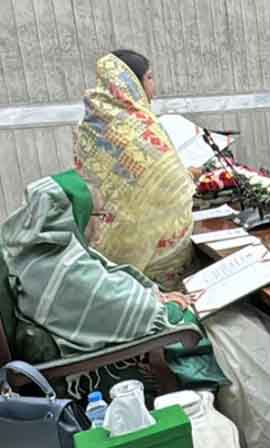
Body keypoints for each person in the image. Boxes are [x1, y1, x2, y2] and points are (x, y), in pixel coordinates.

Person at [1, 171, 270, 448]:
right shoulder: (64, 271)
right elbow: (145, 316)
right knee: (244, 331)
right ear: (71, 217)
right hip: (111, 363)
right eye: (98, 217)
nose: (100, 226)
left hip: (117, 337)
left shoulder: (40, 252)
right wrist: (177, 306)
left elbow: (114, 298)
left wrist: (158, 295)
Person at [74, 51, 195, 290]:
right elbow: (172, 186)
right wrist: (191, 175)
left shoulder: (92, 121)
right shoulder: (139, 124)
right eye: (149, 77)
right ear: (132, 82)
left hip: (108, 242)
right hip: (150, 248)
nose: (154, 86)